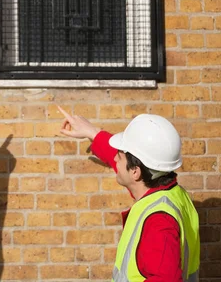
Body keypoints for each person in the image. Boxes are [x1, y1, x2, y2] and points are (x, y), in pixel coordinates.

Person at [59, 106, 200, 282]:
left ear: (135, 171)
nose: (115, 159)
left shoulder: (159, 221)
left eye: (120, 155)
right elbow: (130, 167)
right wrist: (93, 133)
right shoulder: (172, 193)